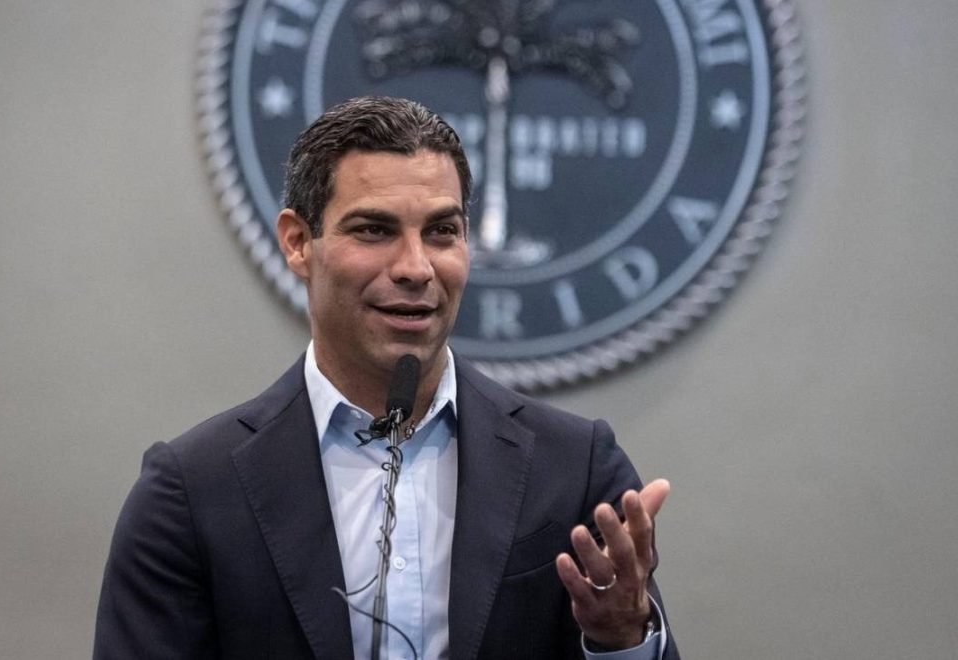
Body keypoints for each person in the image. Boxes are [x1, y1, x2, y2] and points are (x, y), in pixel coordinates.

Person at [94, 96, 680, 660]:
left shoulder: (574, 469)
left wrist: (622, 641)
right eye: (374, 230)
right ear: (299, 243)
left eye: (442, 232)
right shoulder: (192, 493)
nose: (415, 268)